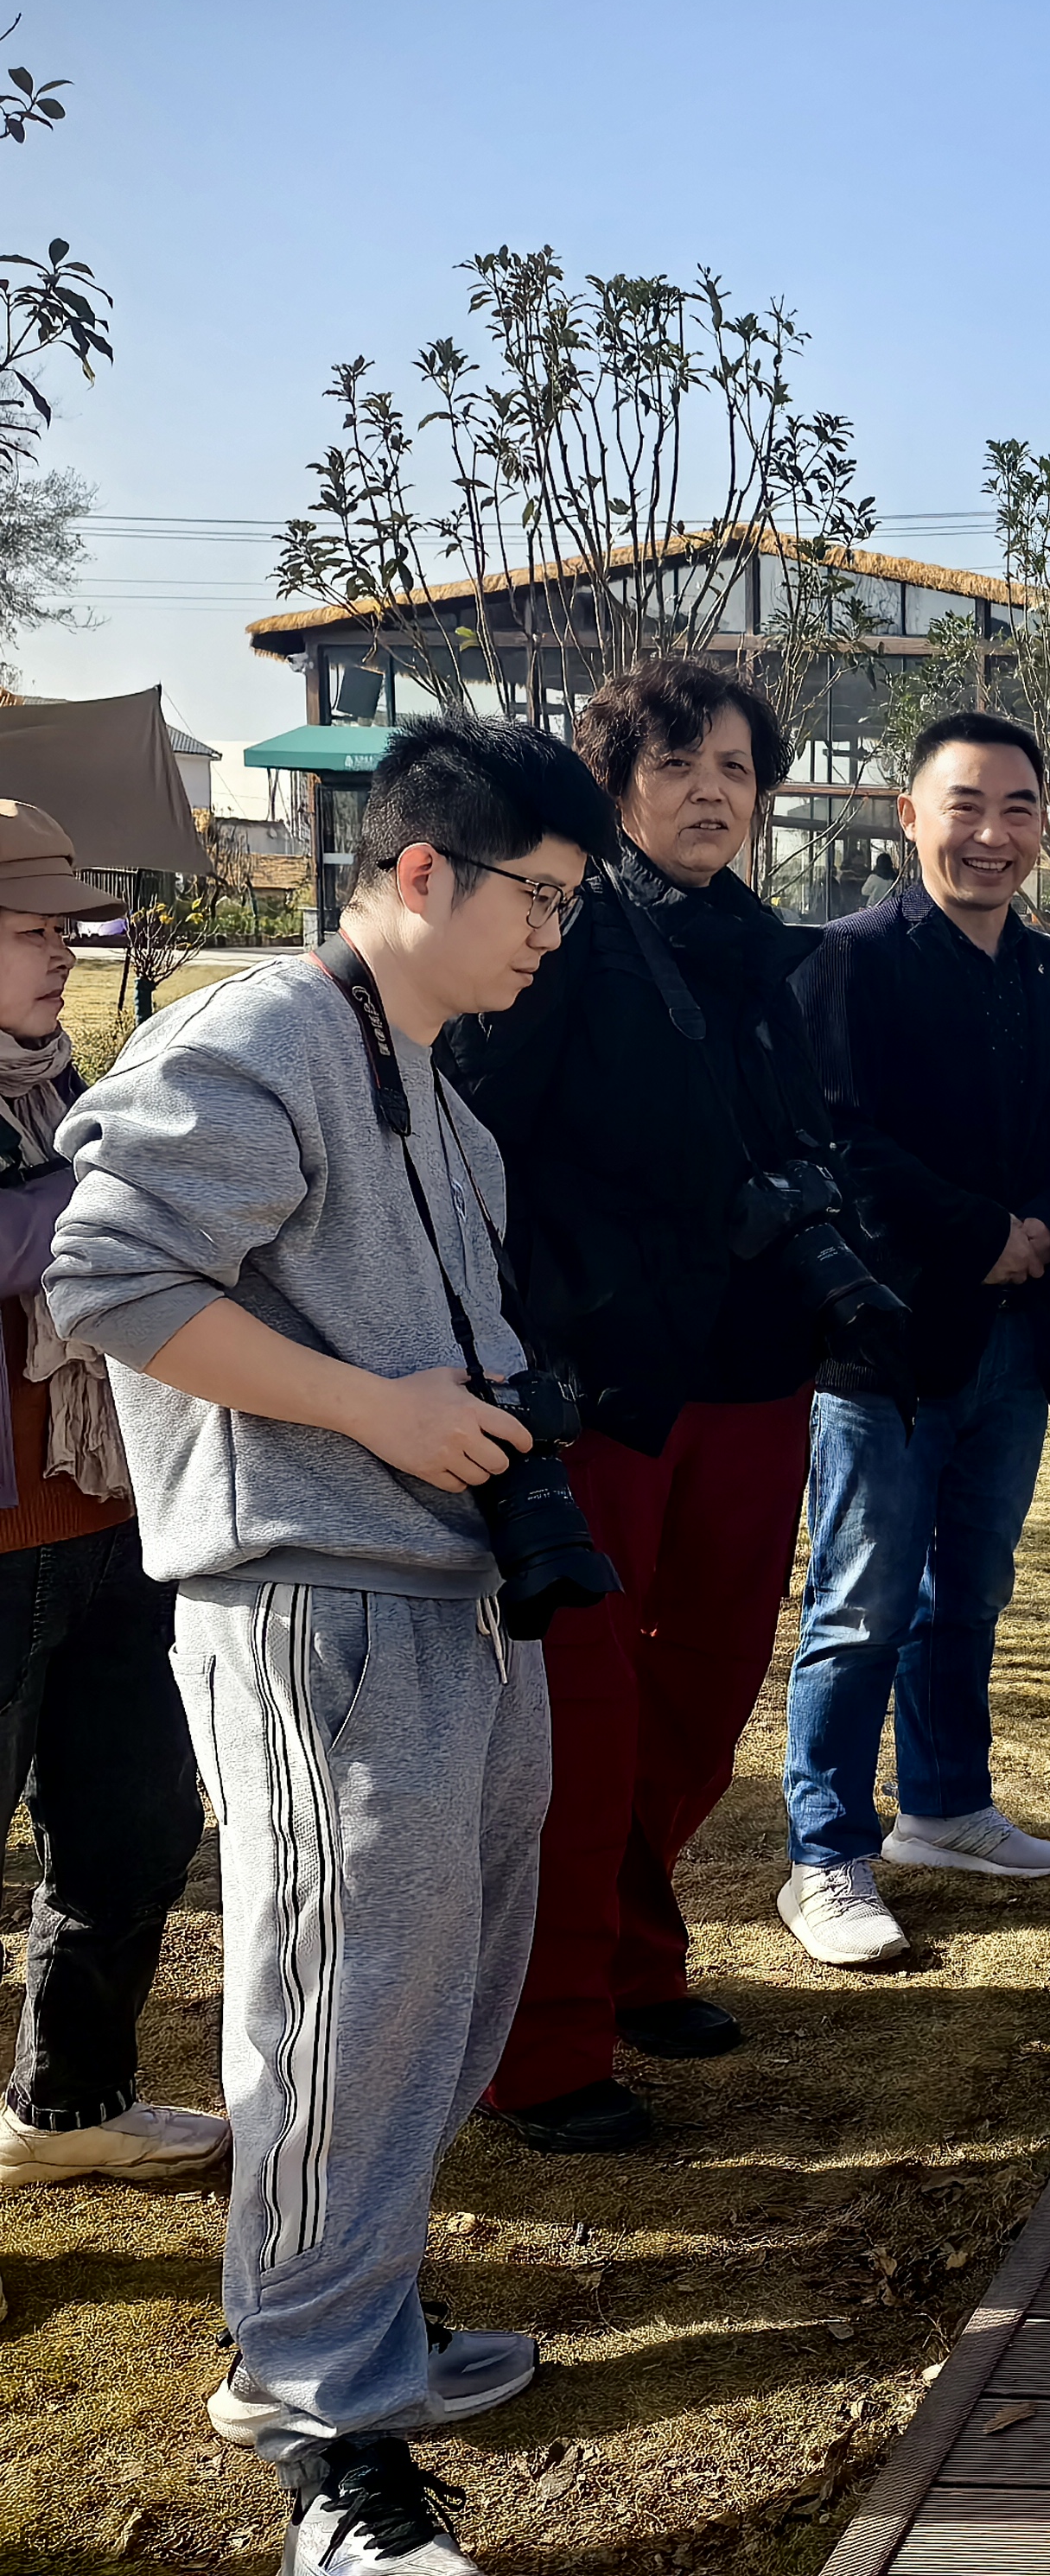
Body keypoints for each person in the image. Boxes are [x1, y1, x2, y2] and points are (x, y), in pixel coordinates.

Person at [51, 720, 618, 2576]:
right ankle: (315, 2422)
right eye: (539, 897)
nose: (551, 936)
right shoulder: (266, 1035)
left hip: (450, 1594)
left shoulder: (432, 1084)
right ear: (423, 870)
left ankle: (357, 2310)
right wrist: (377, 1410)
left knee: (445, 1979)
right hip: (314, 1600)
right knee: (339, 1999)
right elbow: (108, 1277)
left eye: (572, 906)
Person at [437, 658, 877, 2150]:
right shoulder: (564, 935)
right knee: (580, 1712)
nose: (712, 791)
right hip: (603, 1380)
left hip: (752, 1370)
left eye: (738, 767)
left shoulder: (763, 949)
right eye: (678, 762)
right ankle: (541, 2041)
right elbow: (478, 1136)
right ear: (618, 783)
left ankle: (633, 1956)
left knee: (702, 1695)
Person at [775, 714, 1050, 1969]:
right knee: (859, 1604)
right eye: (965, 805)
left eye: (1018, 808)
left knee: (969, 1589)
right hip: (886, 1344)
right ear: (909, 816)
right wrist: (983, 1232)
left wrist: (1047, 1235)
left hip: (1020, 1339)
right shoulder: (845, 963)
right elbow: (837, 1140)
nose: (992, 835)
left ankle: (943, 1806)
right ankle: (825, 1853)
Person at [0, 805, 219, 2199]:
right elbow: (53, 1237)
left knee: (136, 1827)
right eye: (31, 930)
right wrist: (121, 1193)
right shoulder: (79, 1128)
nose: (60, 956)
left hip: (105, 1515)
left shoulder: (58, 1087)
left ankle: (70, 2103)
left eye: (66, 932)